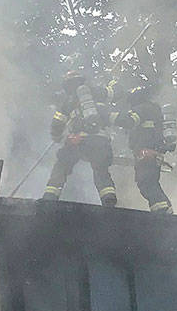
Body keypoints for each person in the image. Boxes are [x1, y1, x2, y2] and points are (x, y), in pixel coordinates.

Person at [41, 69, 119, 207]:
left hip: (77, 140)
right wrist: (111, 81)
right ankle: (109, 199)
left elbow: (57, 125)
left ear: (67, 85)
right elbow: (116, 94)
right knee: (100, 170)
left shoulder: (68, 102)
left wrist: (58, 137)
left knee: (62, 166)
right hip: (99, 141)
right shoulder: (97, 92)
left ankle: (50, 197)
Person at [112, 75, 175, 213]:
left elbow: (129, 121)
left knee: (146, 183)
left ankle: (163, 212)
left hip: (146, 153)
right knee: (150, 183)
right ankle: (164, 211)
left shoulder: (142, 109)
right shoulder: (154, 109)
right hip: (153, 153)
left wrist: (108, 116)